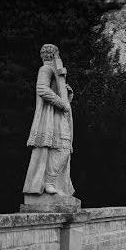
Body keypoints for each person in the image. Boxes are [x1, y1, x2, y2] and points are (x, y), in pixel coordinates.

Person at [23, 43, 74, 197]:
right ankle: (49, 182)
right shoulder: (45, 69)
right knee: (60, 147)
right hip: (51, 115)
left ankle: (53, 182)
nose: (50, 55)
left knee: (64, 148)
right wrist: (62, 103)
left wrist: (67, 95)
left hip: (59, 115)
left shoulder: (55, 71)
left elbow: (56, 92)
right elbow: (42, 89)